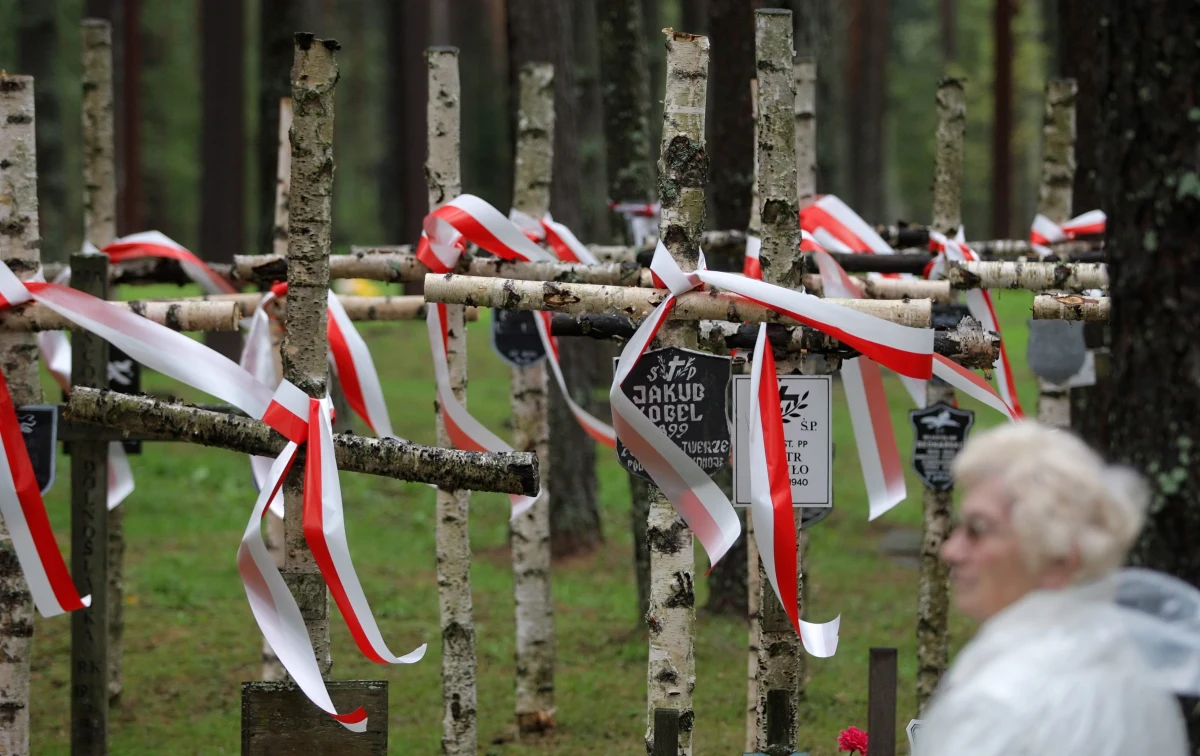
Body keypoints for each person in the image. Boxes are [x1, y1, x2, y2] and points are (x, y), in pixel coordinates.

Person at [916, 421, 1190, 756]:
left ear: (1058, 560)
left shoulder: (996, 702)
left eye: (979, 529)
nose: (951, 551)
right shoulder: (1139, 675)